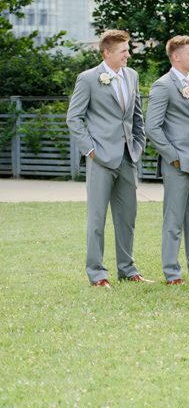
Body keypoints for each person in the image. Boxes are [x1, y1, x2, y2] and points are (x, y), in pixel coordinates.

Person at [66, 29, 150, 287]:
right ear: (106, 53)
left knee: (127, 217)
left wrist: (138, 144)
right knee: (97, 219)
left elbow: (136, 115)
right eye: (123, 51)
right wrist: (90, 150)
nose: (128, 55)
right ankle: (97, 274)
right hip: (100, 158)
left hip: (128, 157)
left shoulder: (132, 76)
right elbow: (74, 118)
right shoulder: (88, 78)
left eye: (128, 50)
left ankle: (127, 269)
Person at [145, 35, 189, 285]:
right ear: (176, 57)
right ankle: (172, 272)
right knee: (173, 220)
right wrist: (173, 156)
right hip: (178, 163)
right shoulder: (163, 85)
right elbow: (152, 127)